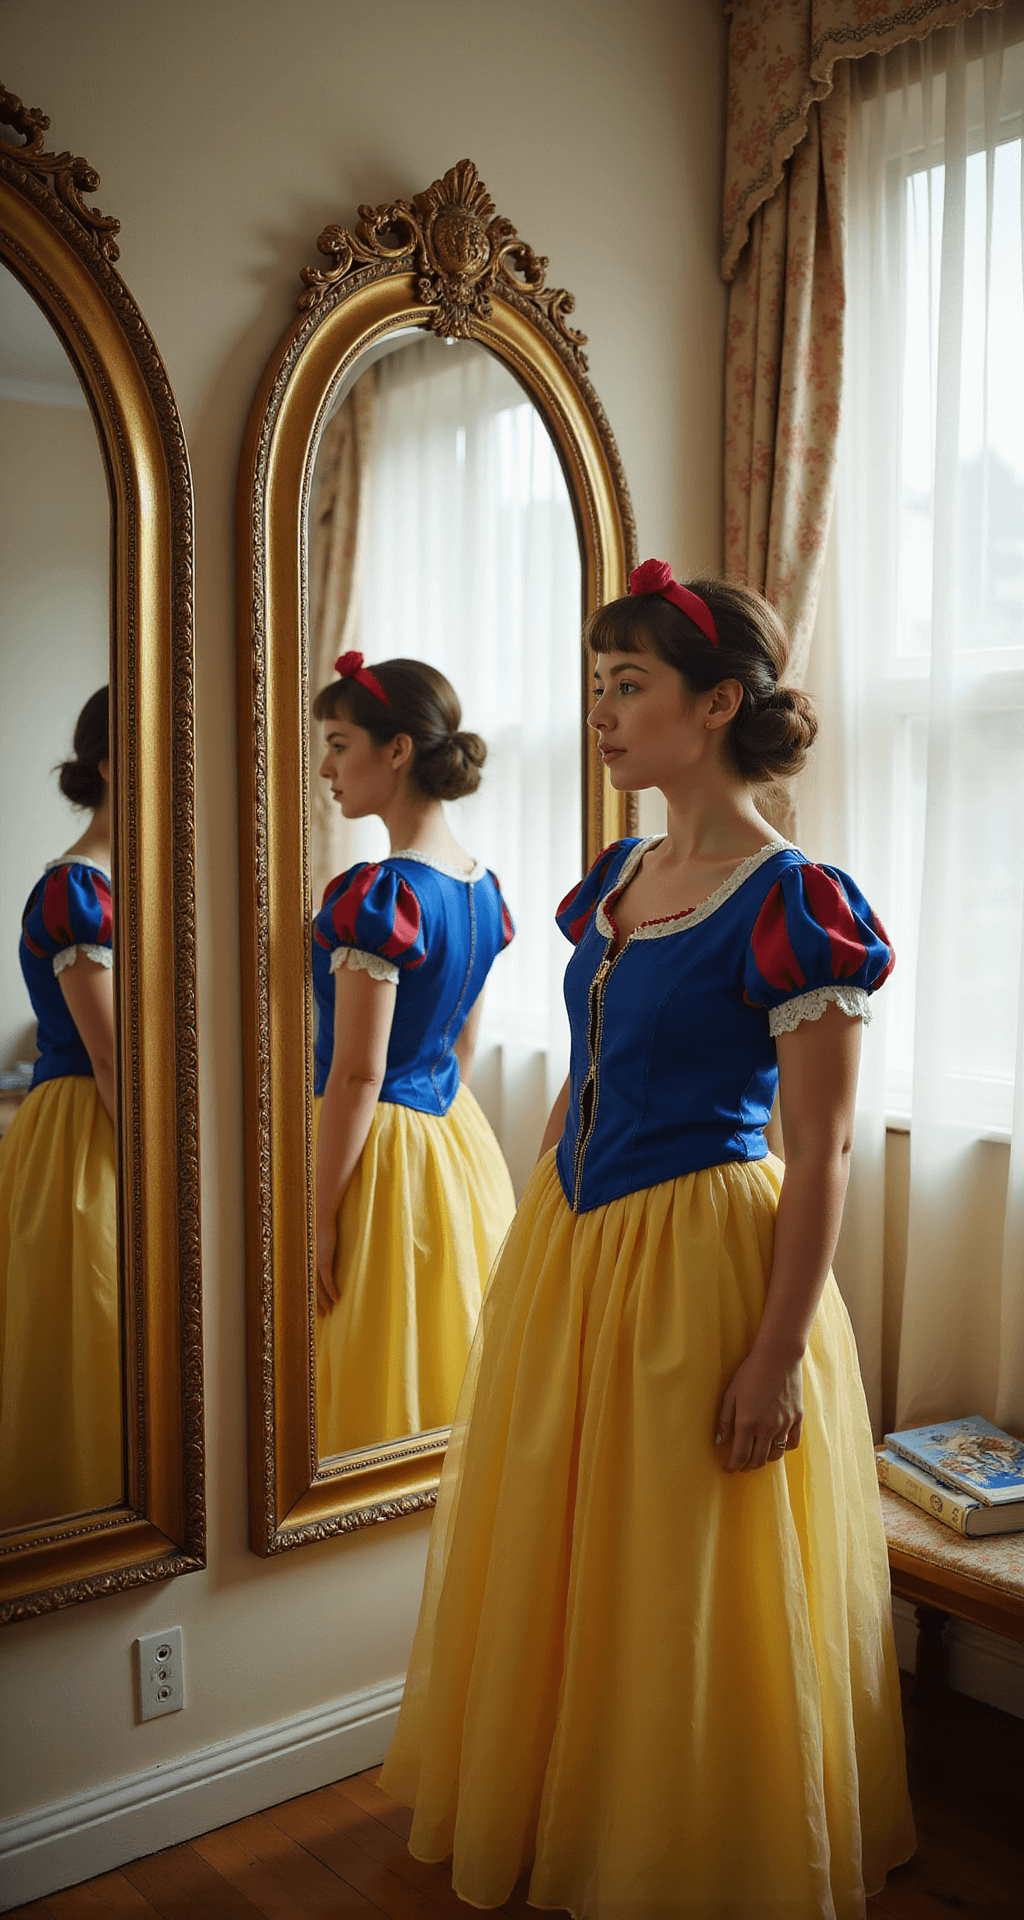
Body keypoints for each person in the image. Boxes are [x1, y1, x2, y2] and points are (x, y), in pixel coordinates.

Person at [379, 563, 915, 1919]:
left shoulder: (797, 900)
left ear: (719, 702)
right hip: (580, 1242)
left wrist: (779, 1354)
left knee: (684, 1570)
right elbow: (589, 1060)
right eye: (597, 685)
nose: (602, 713)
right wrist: (533, 1224)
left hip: (704, 1262)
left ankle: (698, 1857)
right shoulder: (617, 875)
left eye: (630, 687)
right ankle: (588, 1818)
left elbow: (827, 1149)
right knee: (575, 1552)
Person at [312, 651, 517, 1457]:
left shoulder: (383, 892)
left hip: (375, 1141)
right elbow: (464, 1038)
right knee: (439, 1341)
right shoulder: (481, 886)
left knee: (371, 1356)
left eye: (338, 743)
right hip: (453, 1137)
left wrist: (316, 1210)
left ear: (396, 750)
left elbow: (358, 1070)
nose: (326, 768)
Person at [0, 687, 120, 1530]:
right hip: (88, 1123)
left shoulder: (140, 883)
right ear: (115, 767)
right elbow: (110, 1051)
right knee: (91, 1317)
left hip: (124, 1111)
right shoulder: (77, 889)